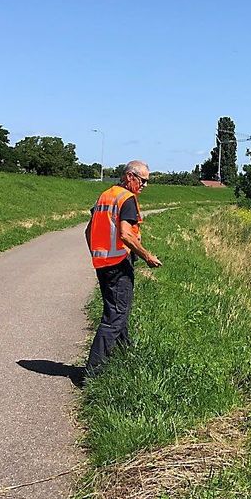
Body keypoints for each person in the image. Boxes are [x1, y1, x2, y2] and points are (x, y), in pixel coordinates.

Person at [84, 160, 162, 376]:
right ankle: (93, 372)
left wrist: (97, 253)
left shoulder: (105, 195)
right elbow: (126, 234)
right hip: (118, 264)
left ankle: (125, 356)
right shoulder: (127, 199)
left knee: (120, 313)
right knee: (115, 317)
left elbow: (88, 231)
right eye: (143, 180)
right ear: (130, 176)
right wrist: (147, 256)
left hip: (103, 264)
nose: (145, 185)